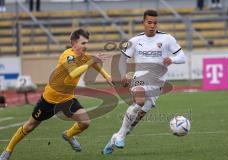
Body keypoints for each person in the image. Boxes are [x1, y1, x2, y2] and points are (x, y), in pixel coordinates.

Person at [0, 28, 113, 160]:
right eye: (83, 43)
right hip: (49, 100)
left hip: (67, 100)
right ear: (74, 44)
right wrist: (91, 62)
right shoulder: (68, 56)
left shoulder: (83, 57)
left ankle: (68, 135)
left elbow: (95, 64)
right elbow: (73, 73)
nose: (86, 46)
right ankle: (8, 150)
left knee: (85, 122)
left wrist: (107, 76)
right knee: (30, 126)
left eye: (86, 43)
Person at [102, 9, 186, 155]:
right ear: (143, 23)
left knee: (133, 124)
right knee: (139, 101)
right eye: (149, 22)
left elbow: (182, 57)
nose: (152, 25)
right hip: (140, 77)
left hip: (157, 83)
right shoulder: (135, 41)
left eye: (155, 23)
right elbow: (123, 59)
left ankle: (115, 138)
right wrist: (123, 74)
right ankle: (121, 136)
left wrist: (171, 59)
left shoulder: (167, 39)